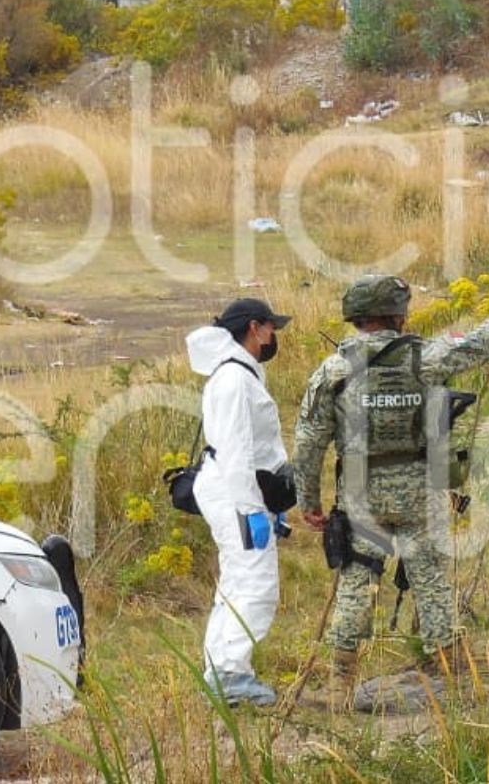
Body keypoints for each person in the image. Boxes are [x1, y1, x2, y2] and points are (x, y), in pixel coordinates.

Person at [292, 274, 489, 711]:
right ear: (400, 315)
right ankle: (462, 682)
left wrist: (309, 502)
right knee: (432, 581)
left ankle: (341, 688)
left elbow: (308, 443)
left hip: (361, 496)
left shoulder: (334, 369)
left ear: (355, 317)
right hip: (421, 491)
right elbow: (482, 345)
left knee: (356, 581)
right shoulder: (427, 358)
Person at [185, 296, 293, 707]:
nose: (273, 336)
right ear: (254, 327)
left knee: (236, 582)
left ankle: (221, 671)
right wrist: (252, 511)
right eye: (271, 327)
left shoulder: (241, 374)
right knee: (256, 585)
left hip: (243, 491)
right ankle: (231, 675)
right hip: (235, 493)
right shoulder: (233, 379)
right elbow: (234, 450)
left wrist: (271, 505)